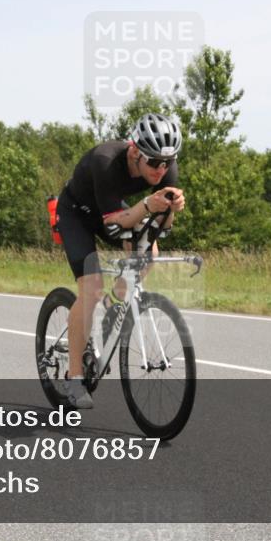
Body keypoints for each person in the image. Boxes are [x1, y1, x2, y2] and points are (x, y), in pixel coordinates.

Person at [55, 113, 186, 408]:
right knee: (91, 288)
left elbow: (161, 227)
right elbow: (114, 224)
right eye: (153, 162)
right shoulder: (106, 161)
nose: (161, 169)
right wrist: (147, 205)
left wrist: (172, 208)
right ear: (134, 151)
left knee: (149, 253)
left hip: (110, 211)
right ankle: (74, 378)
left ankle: (113, 305)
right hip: (77, 213)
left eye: (167, 162)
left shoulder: (166, 167)